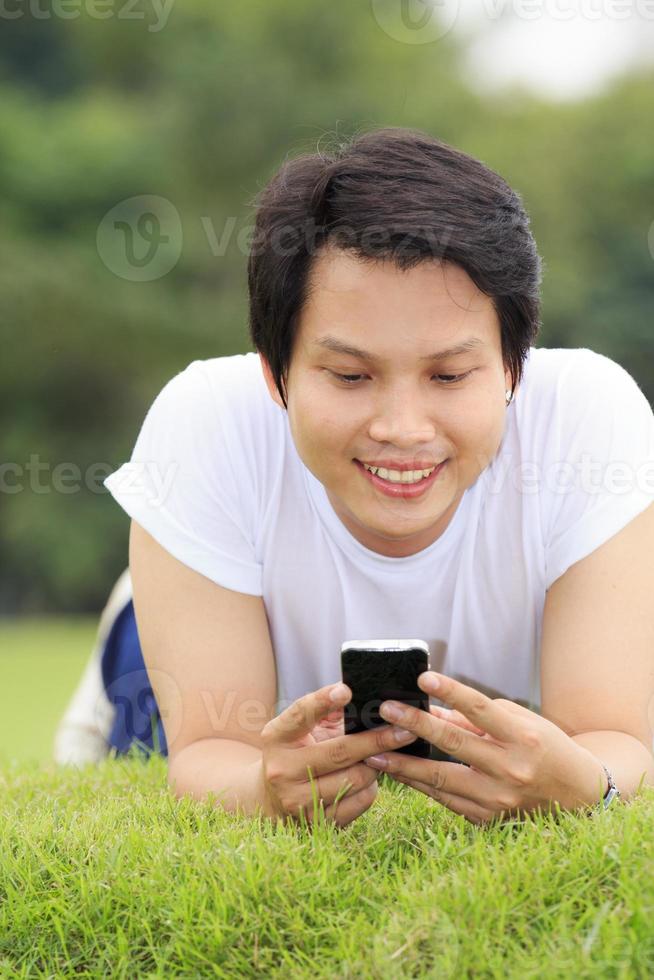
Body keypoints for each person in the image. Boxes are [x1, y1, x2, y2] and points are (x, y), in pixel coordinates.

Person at [54, 126, 654, 827]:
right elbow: (209, 753)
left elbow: (615, 739)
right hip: (207, 590)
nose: (403, 427)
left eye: (450, 375)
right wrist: (260, 790)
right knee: (153, 751)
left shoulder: (587, 416)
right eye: (350, 375)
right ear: (275, 373)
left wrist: (589, 787)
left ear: (513, 368)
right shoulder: (205, 421)